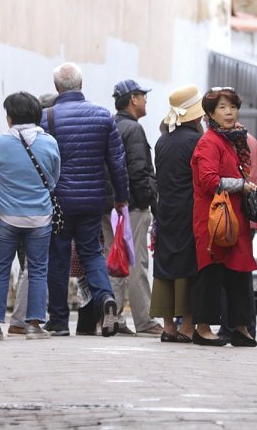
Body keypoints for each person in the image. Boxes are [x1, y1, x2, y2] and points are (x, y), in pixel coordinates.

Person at [41, 62, 129, 337]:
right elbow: (117, 162)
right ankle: (105, 298)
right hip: (93, 199)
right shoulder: (102, 116)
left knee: (58, 256)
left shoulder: (47, 118)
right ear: (81, 84)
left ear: (57, 87)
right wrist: (121, 198)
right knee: (92, 253)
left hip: (60, 201)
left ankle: (57, 320)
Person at [0, 92, 60, 341]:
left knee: (0, 269)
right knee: (37, 269)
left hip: (6, 215)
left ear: (10, 118)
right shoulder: (48, 142)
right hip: (39, 216)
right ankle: (33, 325)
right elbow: (54, 177)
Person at [190, 87, 257, 347]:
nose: (229, 112)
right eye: (221, 107)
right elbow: (208, 181)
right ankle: (203, 327)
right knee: (211, 271)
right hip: (214, 217)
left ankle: (240, 327)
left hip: (235, 215)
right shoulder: (208, 142)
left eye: (232, 106)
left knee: (238, 270)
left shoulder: (233, 139)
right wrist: (241, 185)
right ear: (209, 114)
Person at [102, 79, 162, 336]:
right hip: (132, 207)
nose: (146, 100)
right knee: (137, 263)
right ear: (133, 99)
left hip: (108, 205)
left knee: (113, 261)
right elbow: (138, 171)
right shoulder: (133, 130)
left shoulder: (110, 126)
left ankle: (113, 319)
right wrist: (151, 200)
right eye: (143, 95)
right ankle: (145, 321)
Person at [152, 84, 205, 343]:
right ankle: (186, 325)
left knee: (164, 265)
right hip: (189, 209)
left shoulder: (162, 141)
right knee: (187, 265)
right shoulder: (197, 141)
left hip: (165, 210)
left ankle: (167, 326)